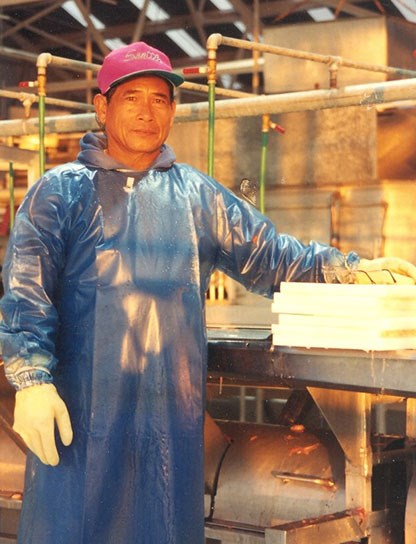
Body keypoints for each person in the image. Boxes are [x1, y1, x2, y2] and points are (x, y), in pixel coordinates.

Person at [0, 41, 415, 544]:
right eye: (131, 98)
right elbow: (26, 287)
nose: (147, 112)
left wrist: (350, 270)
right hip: (79, 415)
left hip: (167, 424)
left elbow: (272, 256)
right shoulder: (60, 191)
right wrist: (31, 379)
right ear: (102, 106)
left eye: (160, 99)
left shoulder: (196, 195)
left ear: (174, 110)